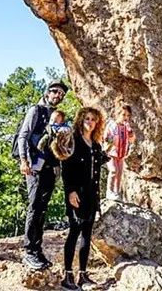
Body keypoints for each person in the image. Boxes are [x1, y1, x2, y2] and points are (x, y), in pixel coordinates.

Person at [18, 80, 68, 271]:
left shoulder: (55, 115)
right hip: (34, 166)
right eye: (55, 91)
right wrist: (24, 161)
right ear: (47, 92)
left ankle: (37, 250)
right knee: (34, 207)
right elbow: (24, 135)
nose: (58, 96)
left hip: (49, 168)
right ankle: (29, 251)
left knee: (42, 209)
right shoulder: (36, 110)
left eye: (61, 94)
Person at [60, 106, 106, 290]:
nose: (90, 122)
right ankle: (68, 275)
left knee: (87, 233)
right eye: (87, 119)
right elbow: (66, 170)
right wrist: (70, 191)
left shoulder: (96, 146)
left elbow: (96, 175)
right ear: (81, 120)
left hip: (91, 196)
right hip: (76, 194)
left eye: (93, 120)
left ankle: (83, 275)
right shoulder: (74, 142)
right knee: (74, 232)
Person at [103, 103, 134, 200]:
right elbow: (105, 137)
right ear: (118, 114)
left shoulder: (126, 128)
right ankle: (109, 191)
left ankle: (117, 192)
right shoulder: (112, 125)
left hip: (121, 154)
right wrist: (109, 141)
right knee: (113, 170)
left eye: (128, 115)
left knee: (120, 173)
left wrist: (130, 132)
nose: (126, 117)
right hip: (111, 153)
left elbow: (132, 140)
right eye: (123, 115)